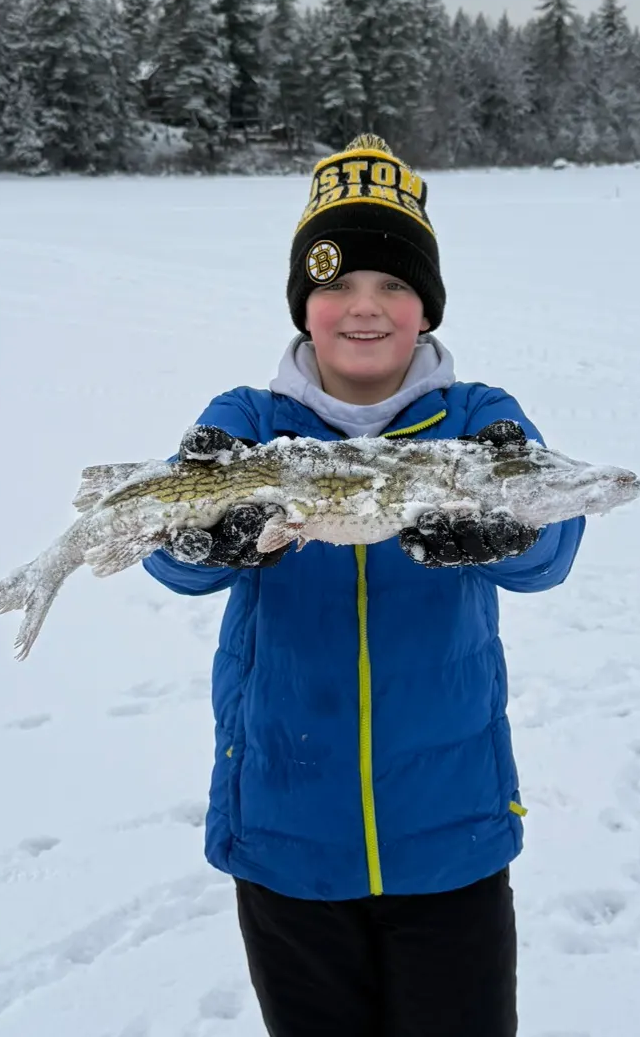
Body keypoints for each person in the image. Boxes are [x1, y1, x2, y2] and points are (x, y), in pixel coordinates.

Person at [142, 134, 585, 1037]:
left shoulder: (478, 421)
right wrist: (208, 540)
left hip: (449, 831)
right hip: (284, 831)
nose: (364, 309)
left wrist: (508, 530)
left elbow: (551, 549)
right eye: (337, 284)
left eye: (393, 285)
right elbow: (166, 552)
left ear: (426, 308)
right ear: (305, 305)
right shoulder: (247, 423)